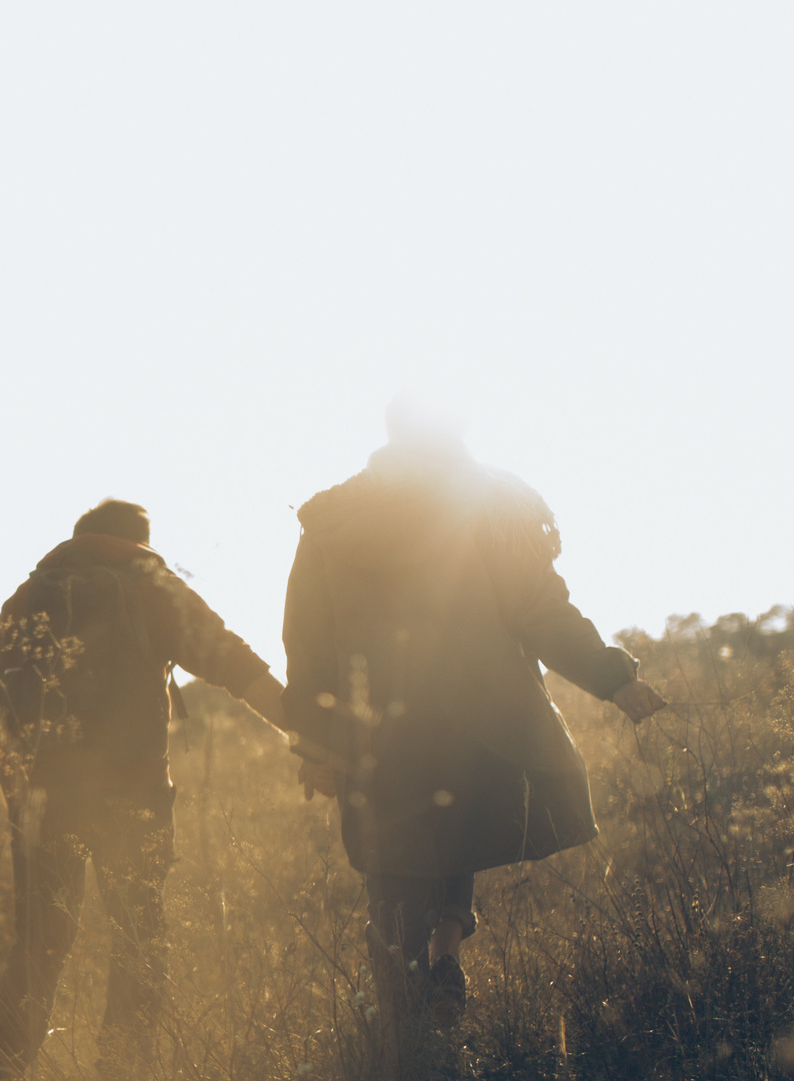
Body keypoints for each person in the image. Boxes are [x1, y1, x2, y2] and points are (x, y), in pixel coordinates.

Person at [281, 397, 667, 1022]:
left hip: (375, 724)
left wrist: (317, 744)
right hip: (479, 718)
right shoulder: (487, 504)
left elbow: (307, 641)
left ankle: (404, 1027)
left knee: (394, 866)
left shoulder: (332, 519)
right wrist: (611, 677)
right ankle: (444, 957)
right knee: (454, 838)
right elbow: (540, 609)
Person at [0, 496, 290, 1073]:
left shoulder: (26, 597)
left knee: (40, 939)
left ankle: (3, 1071)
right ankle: (123, 1077)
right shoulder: (148, 584)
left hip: (43, 799)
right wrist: (302, 728)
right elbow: (229, 658)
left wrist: (20, 798)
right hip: (132, 794)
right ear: (140, 541)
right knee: (138, 935)